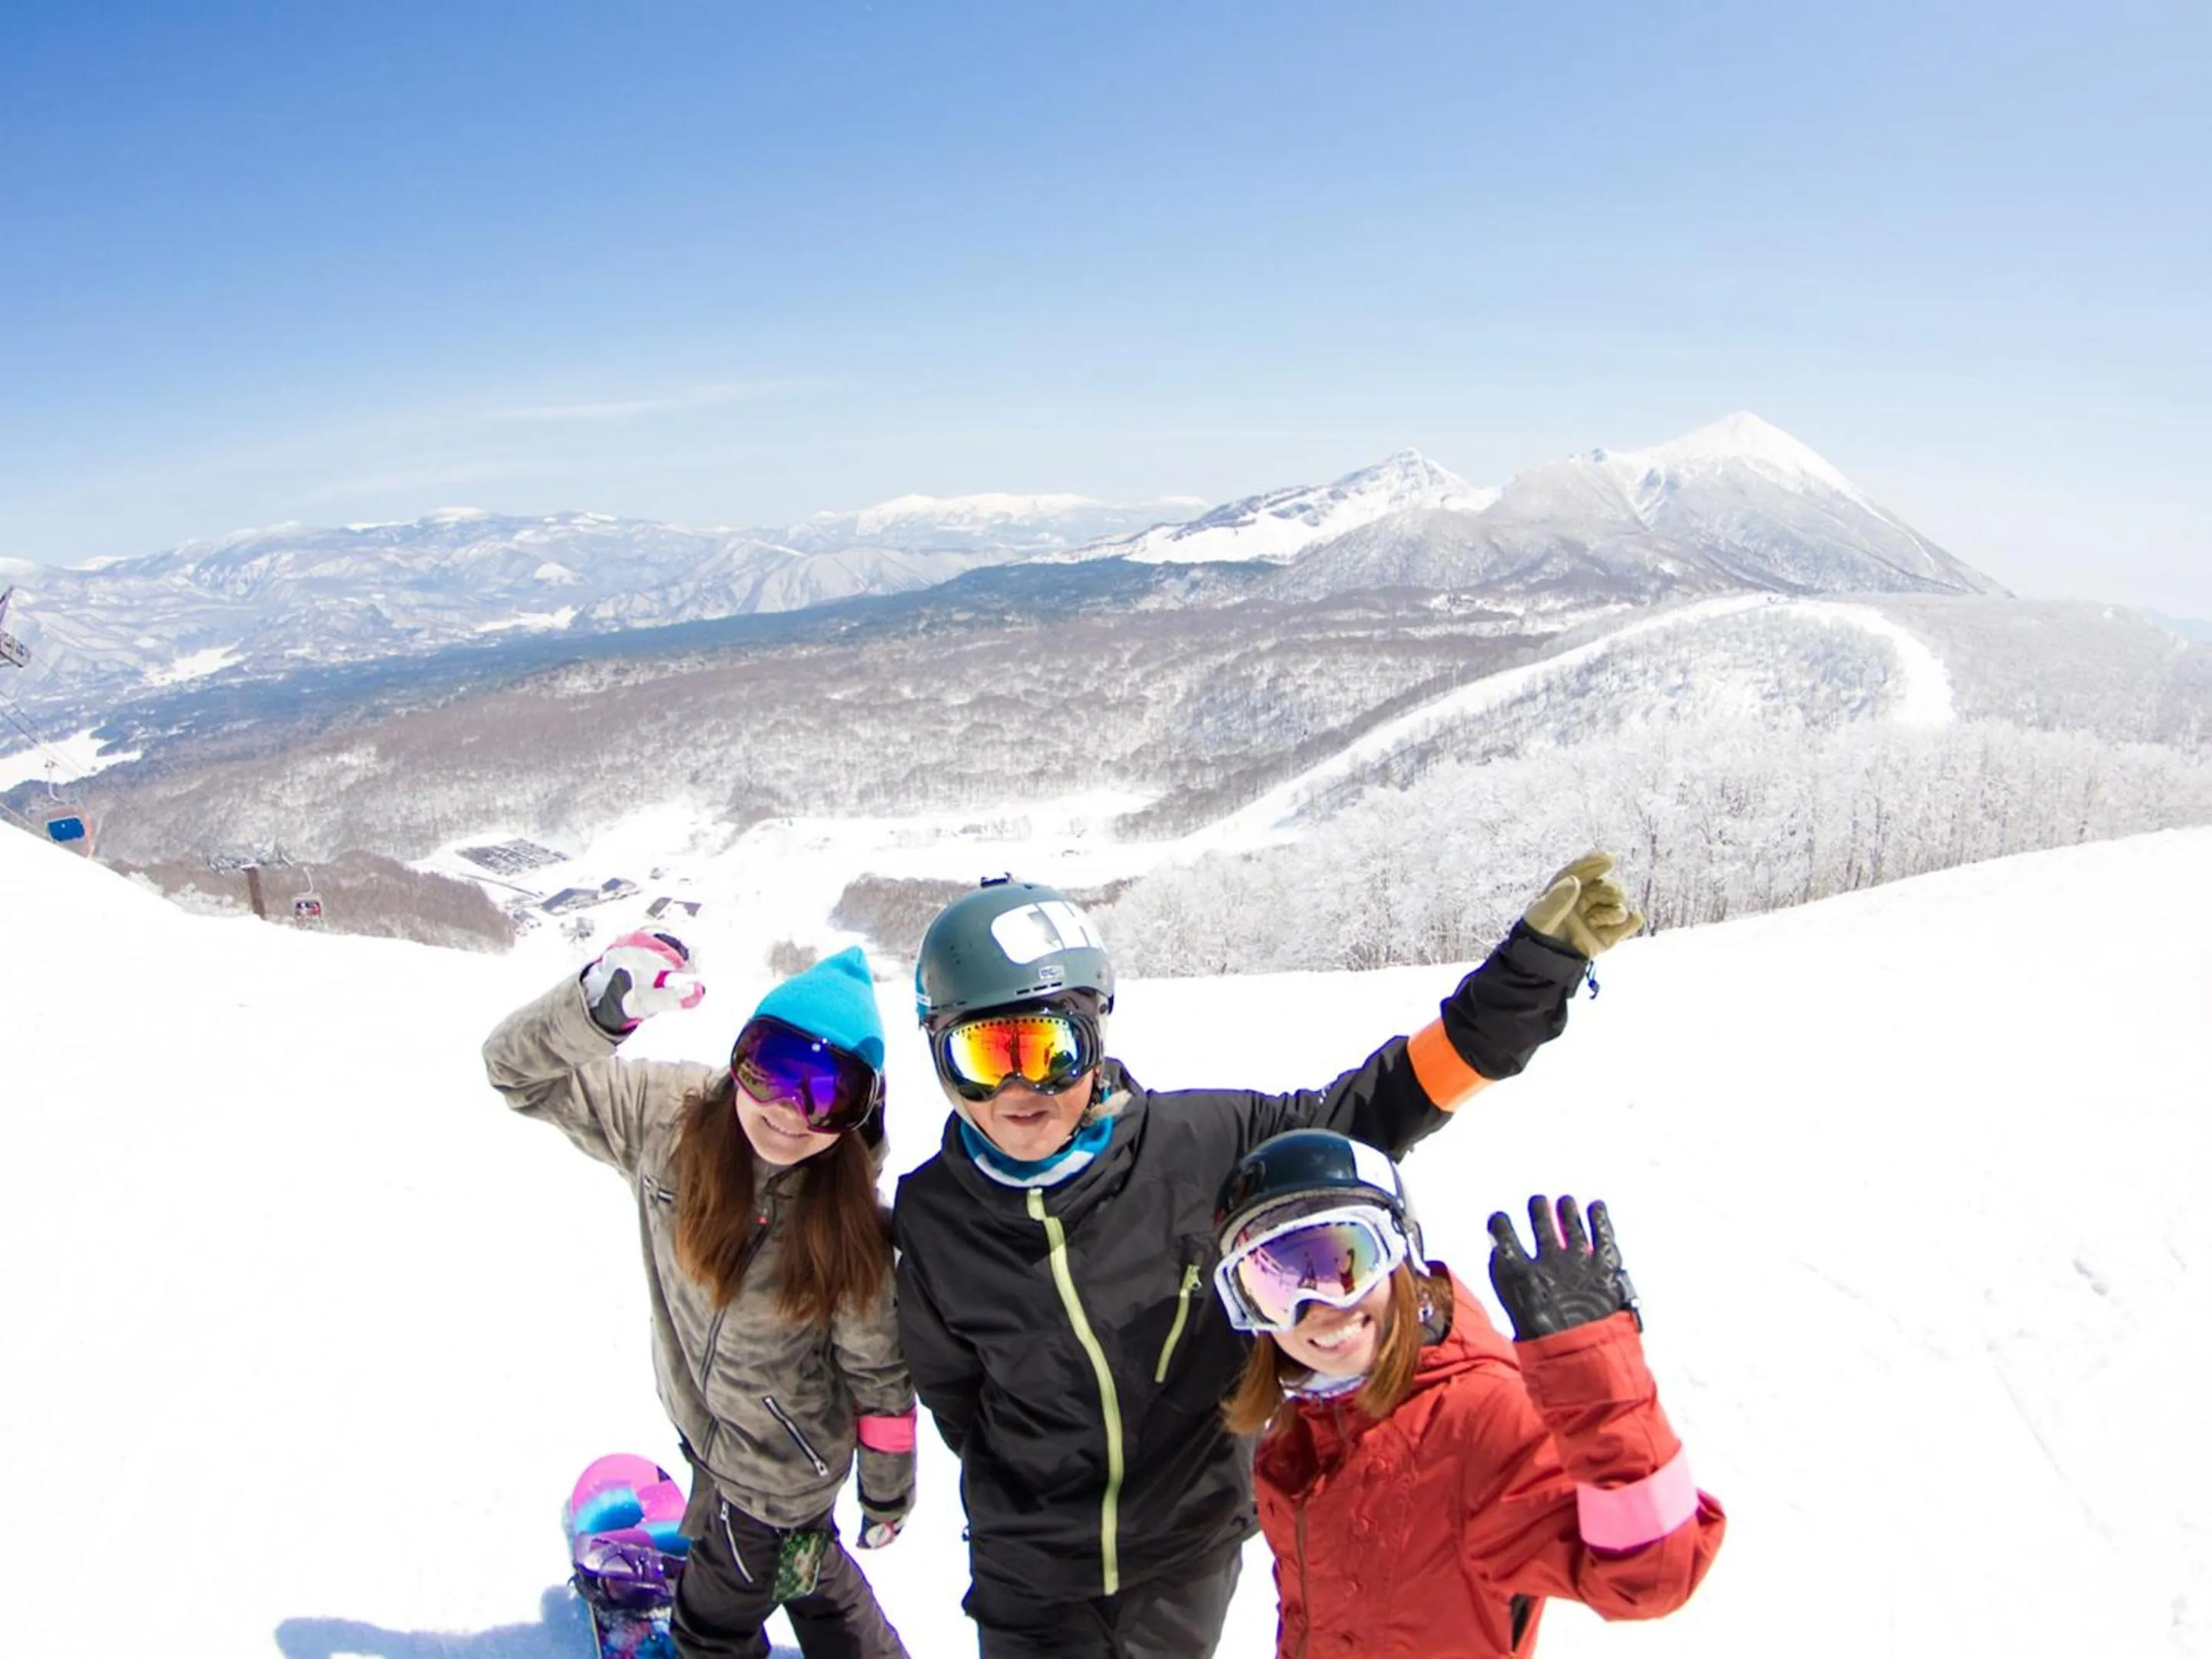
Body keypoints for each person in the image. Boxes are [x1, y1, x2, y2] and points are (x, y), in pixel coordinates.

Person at [892, 856, 1640, 1657]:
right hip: (1027, 1573)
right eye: (980, 1055)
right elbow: (954, 1392)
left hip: (1184, 1553)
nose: (1017, 1087)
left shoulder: (1208, 1147)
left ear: (1096, 1035)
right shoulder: (934, 1214)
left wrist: (1530, 976)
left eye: (1049, 1049)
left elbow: (1384, 1104)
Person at [482, 932, 916, 1659]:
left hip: (776, 1477)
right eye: (771, 1070)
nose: (789, 1113)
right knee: (808, 1572)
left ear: (856, 1115)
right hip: (711, 1436)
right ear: (739, 1057)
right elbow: (514, 1072)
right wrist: (599, 1006)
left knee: (710, 1629)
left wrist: (888, 1491)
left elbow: (880, 1374)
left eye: (827, 1096)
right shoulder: (669, 1123)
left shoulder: (848, 1225)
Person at [1213, 1129, 1726, 1657]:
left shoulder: (1480, 1419)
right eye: (1274, 1285)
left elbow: (1653, 1575)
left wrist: (1595, 1378)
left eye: (1343, 1265)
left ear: (1402, 1250)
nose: (1313, 1307)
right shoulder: (1302, 1431)